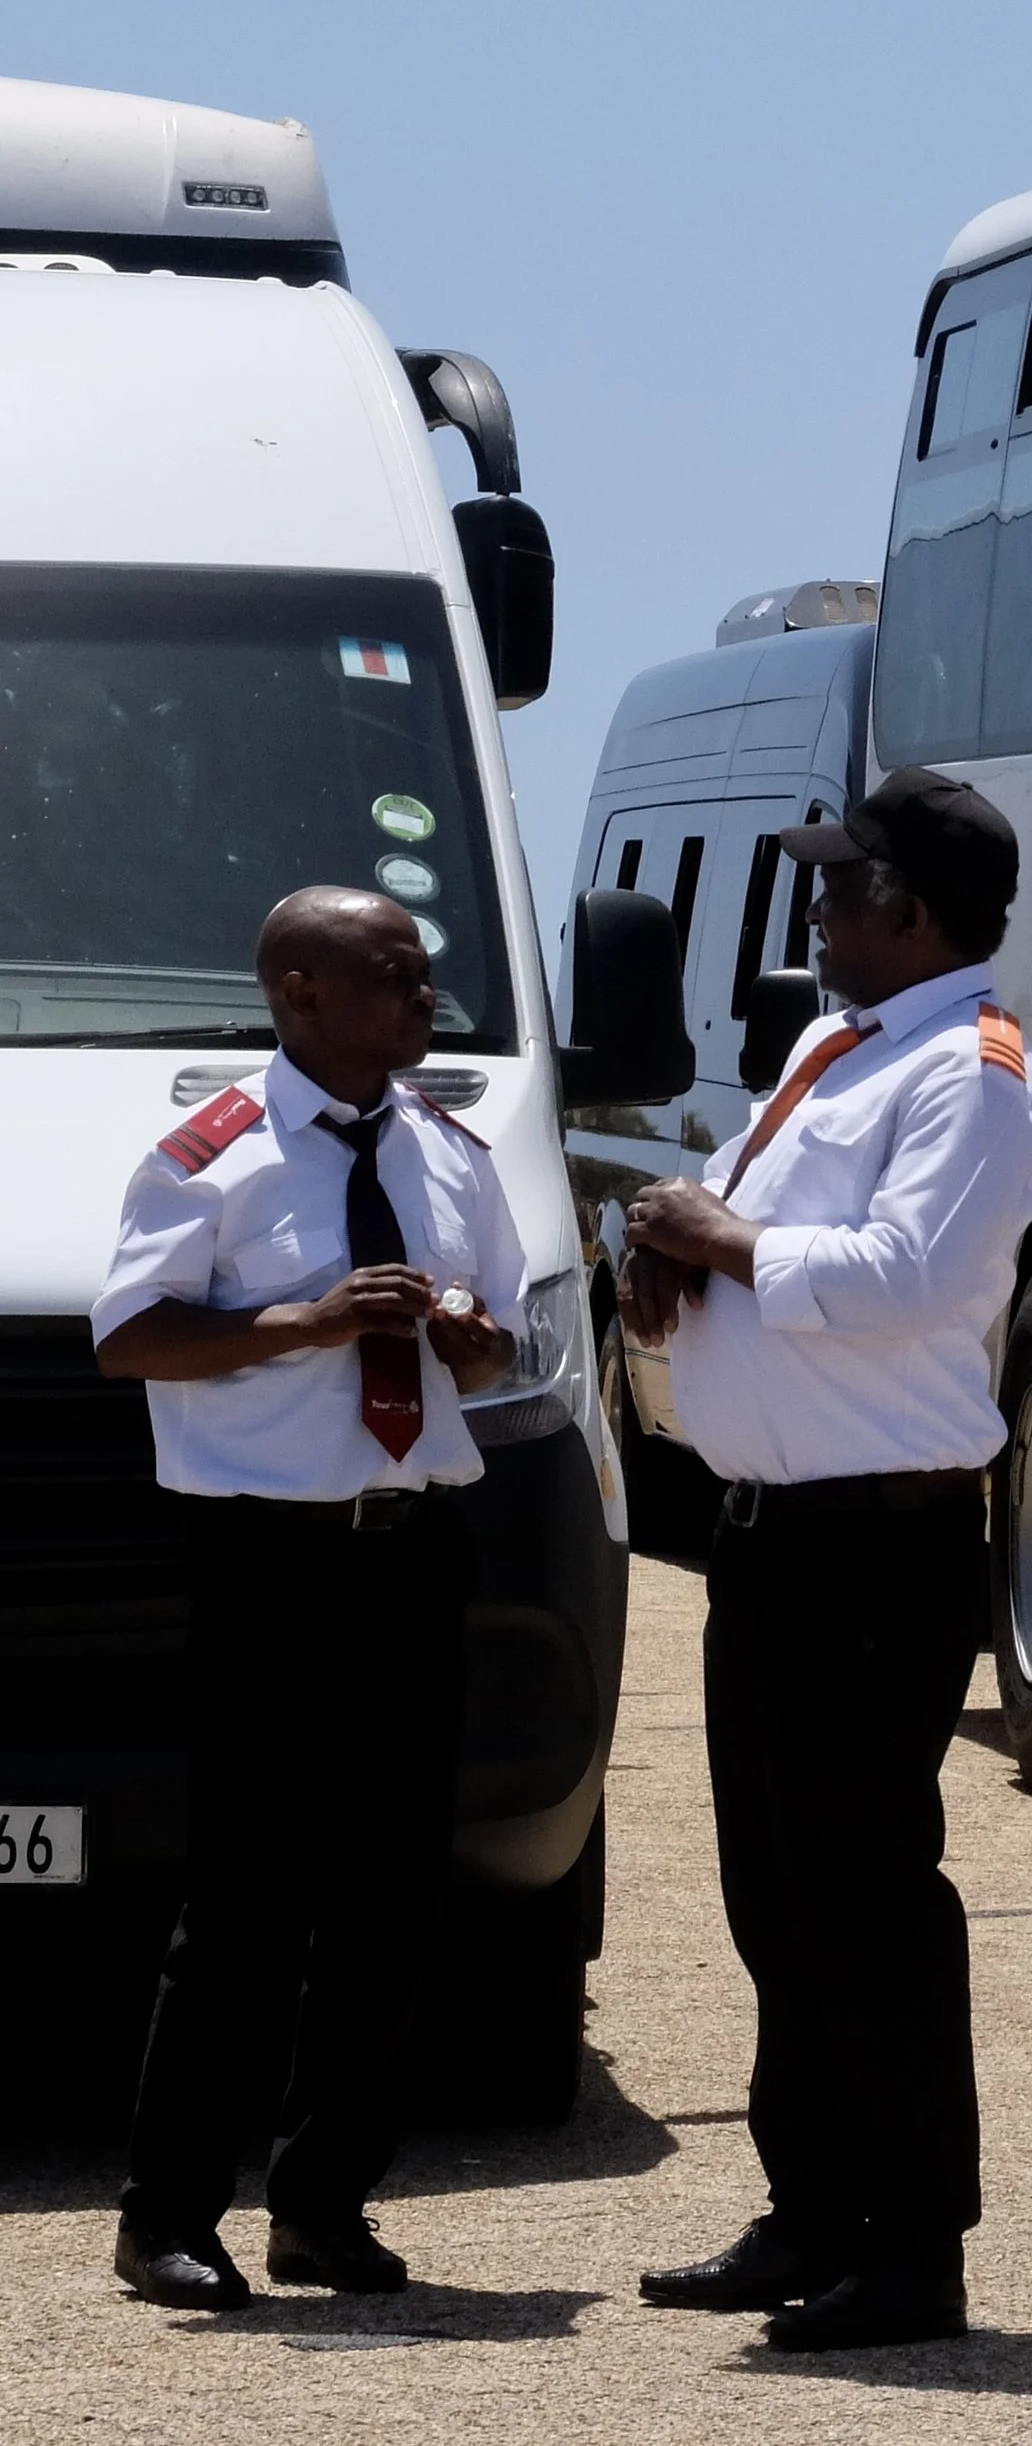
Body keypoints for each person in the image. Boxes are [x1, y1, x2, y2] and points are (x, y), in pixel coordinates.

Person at [629, 766, 1032, 2354]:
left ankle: (912, 2246)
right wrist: (670, 1259)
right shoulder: (842, 1044)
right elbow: (740, 1224)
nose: (816, 908)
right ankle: (810, 2208)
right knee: (774, 1895)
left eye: (839, 884)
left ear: (913, 910)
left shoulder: (975, 1070)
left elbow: (910, 1274)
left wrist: (721, 1242)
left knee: (867, 1893)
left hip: (880, 1546)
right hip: (774, 1542)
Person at [89, 887, 525, 2311]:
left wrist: (460, 1337)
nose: (423, 1003)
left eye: (424, 979)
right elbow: (132, 1337)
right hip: (271, 1560)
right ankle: (168, 2216)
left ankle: (325, 2205)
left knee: (395, 1897)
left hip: (409, 1547)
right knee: (249, 1901)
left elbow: (496, 1344)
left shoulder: (453, 1152)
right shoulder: (212, 1153)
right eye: (393, 977)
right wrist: (315, 1323)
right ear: (298, 990)